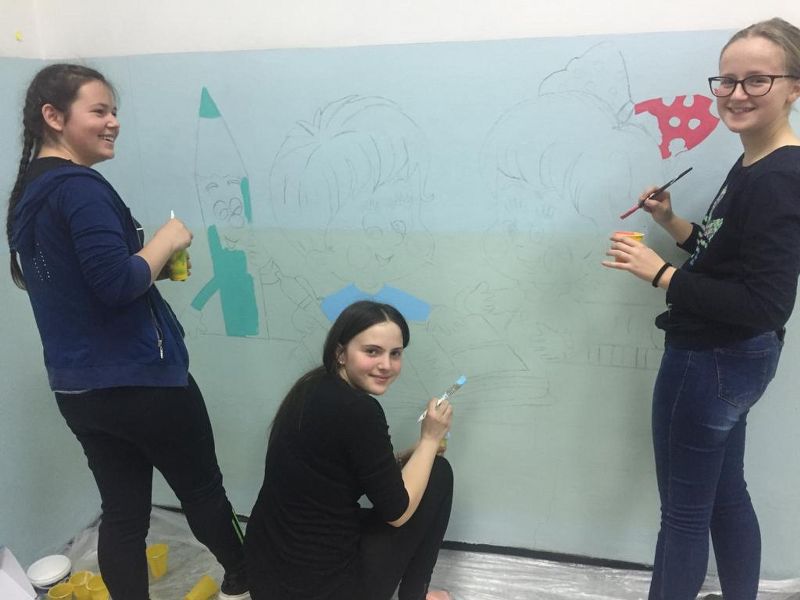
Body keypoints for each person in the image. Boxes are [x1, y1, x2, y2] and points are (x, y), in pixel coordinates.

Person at [6, 63, 249, 600]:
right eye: (99, 111)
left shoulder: (31, 194)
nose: (113, 122)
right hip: (145, 383)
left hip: (79, 391)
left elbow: (86, 282)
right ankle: (247, 573)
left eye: (114, 111)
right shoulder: (80, 188)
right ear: (54, 117)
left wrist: (150, 267)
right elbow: (117, 284)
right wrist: (166, 240)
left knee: (123, 512)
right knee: (203, 492)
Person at [602, 17, 800, 600]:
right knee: (725, 494)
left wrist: (660, 274)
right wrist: (670, 222)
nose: (736, 94)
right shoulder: (756, 162)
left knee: (684, 515)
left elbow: (764, 303)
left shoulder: (778, 177)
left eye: (757, 80)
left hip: (711, 360)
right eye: (727, 80)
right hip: (731, 359)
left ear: (794, 87)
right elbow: (723, 255)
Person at [244, 300, 455, 600]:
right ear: (340, 352)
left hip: (266, 575)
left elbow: (337, 470)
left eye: (395, 353)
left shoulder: (311, 386)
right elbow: (397, 513)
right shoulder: (360, 410)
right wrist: (430, 439)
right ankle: (415, 595)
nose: (386, 365)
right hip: (322, 590)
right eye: (372, 351)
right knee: (439, 474)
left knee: (425, 466)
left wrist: (404, 457)